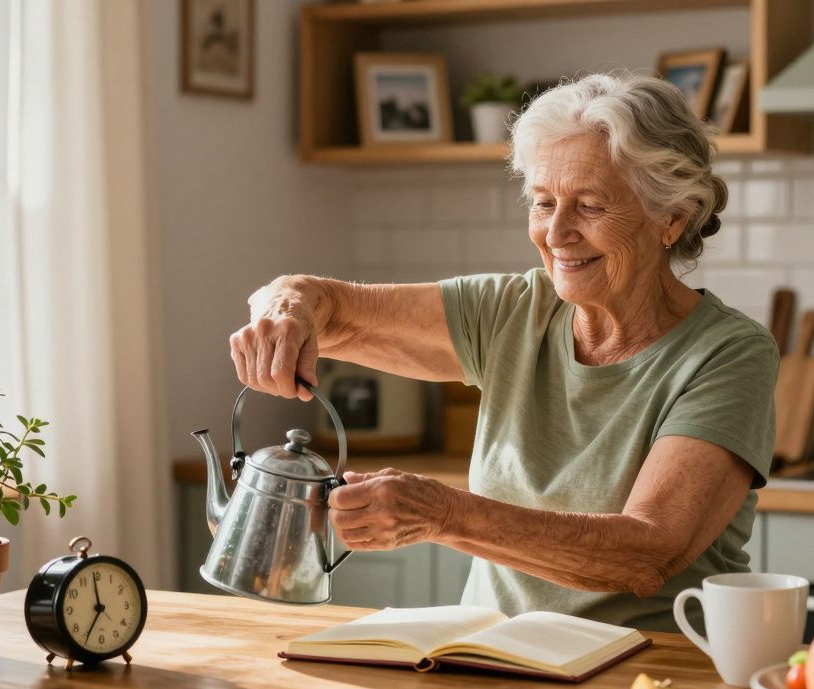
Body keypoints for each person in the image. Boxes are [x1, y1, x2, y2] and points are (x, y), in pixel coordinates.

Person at [228, 73, 778, 631]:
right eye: (543, 203)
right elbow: (328, 307)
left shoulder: (728, 354)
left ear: (671, 218)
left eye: (589, 206)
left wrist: (443, 513)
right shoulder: (514, 310)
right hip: (495, 656)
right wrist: (284, 309)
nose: (556, 233)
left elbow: (646, 555)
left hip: (647, 672)